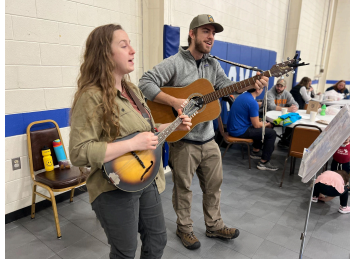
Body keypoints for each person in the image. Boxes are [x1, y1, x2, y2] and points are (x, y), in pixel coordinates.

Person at [139, 14, 269, 250]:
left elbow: (227, 88)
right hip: (184, 140)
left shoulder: (213, 64)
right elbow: (145, 83)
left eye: (213, 33)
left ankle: (214, 225)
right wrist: (175, 101)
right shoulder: (175, 62)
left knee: (213, 186)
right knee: (183, 189)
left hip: (208, 139)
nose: (211, 37)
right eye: (206, 32)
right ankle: (185, 228)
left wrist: (251, 86)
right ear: (192, 34)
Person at [69, 24, 192, 259]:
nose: (132, 50)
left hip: (147, 177)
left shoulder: (132, 89)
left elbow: (146, 131)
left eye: (131, 44)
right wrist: (132, 144)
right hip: (113, 185)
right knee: (125, 251)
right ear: (105, 53)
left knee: (157, 239)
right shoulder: (91, 96)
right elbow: (77, 152)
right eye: (124, 46)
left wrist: (171, 126)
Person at [227, 88, 278, 171]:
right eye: (262, 88)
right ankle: (263, 162)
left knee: (259, 128)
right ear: (257, 90)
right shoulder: (252, 102)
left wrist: (262, 124)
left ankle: (255, 151)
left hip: (233, 128)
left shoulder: (243, 96)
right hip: (239, 131)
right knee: (271, 133)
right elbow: (257, 125)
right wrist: (267, 124)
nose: (262, 90)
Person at [266, 78, 298, 149]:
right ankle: (266, 145)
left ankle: (284, 141)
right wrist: (288, 109)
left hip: (281, 116)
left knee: (292, 124)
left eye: (281, 86)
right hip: (267, 116)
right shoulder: (270, 93)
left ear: (285, 87)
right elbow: (271, 106)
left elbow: (295, 104)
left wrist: (295, 107)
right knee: (269, 126)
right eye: (278, 86)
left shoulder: (287, 94)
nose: (279, 88)